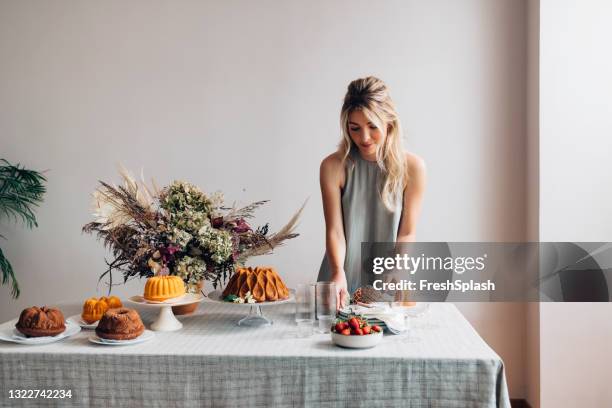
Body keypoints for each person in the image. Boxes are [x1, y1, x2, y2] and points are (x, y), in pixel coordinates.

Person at [317, 76, 426, 310]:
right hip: (341, 279)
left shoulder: (413, 168)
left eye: (372, 127)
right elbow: (335, 231)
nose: (363, 138)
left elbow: (407, 232)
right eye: (354, 128)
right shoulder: (332, 167)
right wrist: (337, 272)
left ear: (389, 123)